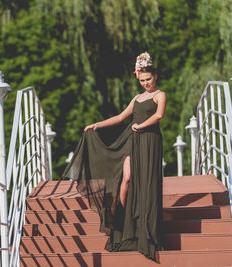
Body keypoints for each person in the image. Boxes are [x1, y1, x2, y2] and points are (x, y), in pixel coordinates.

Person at [62, 52, 166, 261]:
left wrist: (141, 125)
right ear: (138, 77)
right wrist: (96, 125)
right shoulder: (136, 98)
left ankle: (146, 228)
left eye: (149, 79)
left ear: (155, 76)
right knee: (126, 178)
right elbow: (120, 117)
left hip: (149, 140)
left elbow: (159, 115)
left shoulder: (159, 95)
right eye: (142, 80)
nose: (146, 83)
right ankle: (123, 220)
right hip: (132, 139)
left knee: (146, 182)